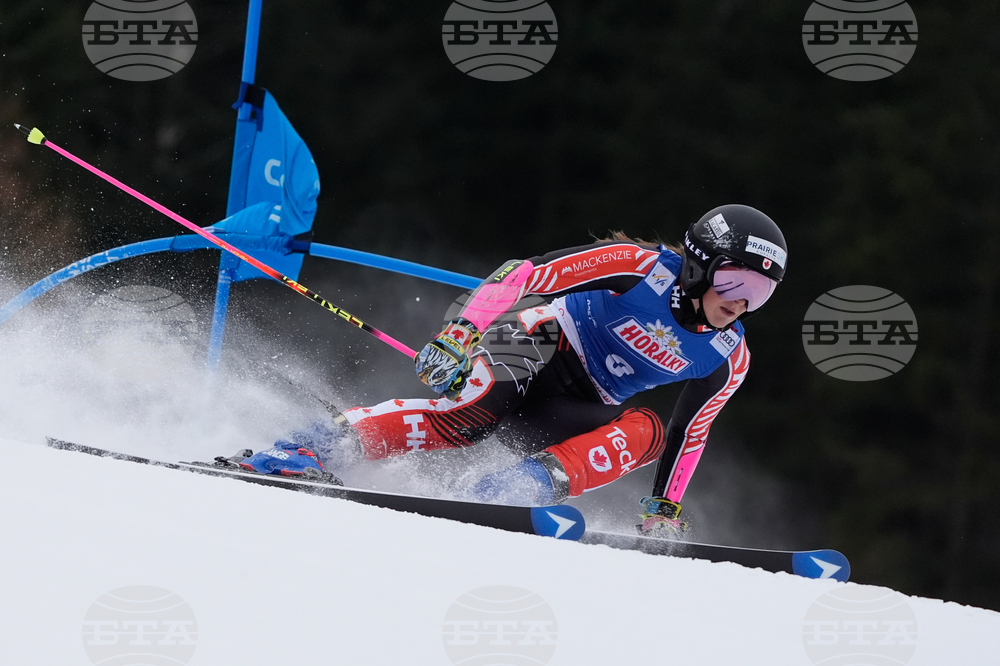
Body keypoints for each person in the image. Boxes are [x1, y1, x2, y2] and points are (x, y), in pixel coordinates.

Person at [234, 204, 788, 534]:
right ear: (697, 264)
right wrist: (460, 332)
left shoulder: (728, 355)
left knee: (649, 433)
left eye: (760, 293)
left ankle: (509, 491)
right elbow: (521, 274)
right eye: (734, 281)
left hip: (579, 405)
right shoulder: (639, 268)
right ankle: (307, 448)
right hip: (539, 340)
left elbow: (692, 433)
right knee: (467, 420)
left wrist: (665, 506)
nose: (741, 302)